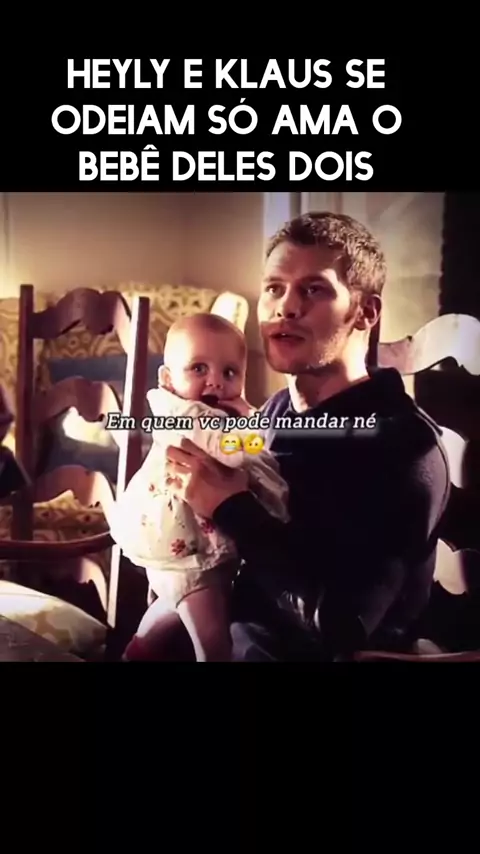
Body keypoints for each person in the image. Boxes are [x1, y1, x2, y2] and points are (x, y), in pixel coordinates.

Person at [164, 211, 451, 661]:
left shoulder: (404, 449)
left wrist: (230, 508)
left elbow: (343, 624)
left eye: (313, 289)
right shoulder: (276, 412)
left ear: (366, 311)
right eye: (274, 288)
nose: (286, 307)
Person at [109, 313, 289, 661]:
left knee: (173, 607)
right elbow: (236, 453)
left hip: (188, 552)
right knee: (213, 642)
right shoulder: (188, 415)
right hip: (189, 556)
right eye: (198, 368)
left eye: (229, 372)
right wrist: (251, 419)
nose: (215, 382)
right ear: (168, 378)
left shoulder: (195, 411)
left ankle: (136, 653)